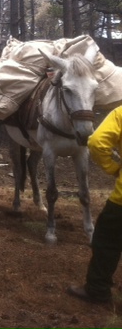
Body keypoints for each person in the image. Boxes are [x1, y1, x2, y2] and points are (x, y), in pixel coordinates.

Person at [67, 105, 122, 304]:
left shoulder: (120, 114)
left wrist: (113, 168)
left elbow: (97, 143)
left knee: (107, 240)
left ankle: (97, 290)